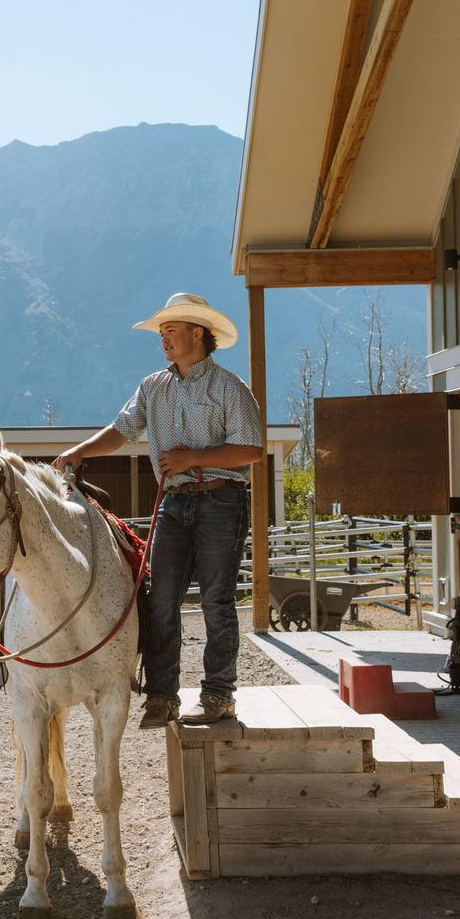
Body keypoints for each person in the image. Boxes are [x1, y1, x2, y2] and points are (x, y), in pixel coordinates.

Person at [56, 293, 264, 728]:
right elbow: (121, 430)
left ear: (198, 335)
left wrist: (192, 459)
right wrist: (77, 453)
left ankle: (219, 694)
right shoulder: (152, 387)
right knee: (159, 599)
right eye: (163, 333)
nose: (165, 340)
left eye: (172, 331)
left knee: (216, 601)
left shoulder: (230, 387)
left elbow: (251, 450)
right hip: (174, 502)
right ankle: (162, 696)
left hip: (222, 500)